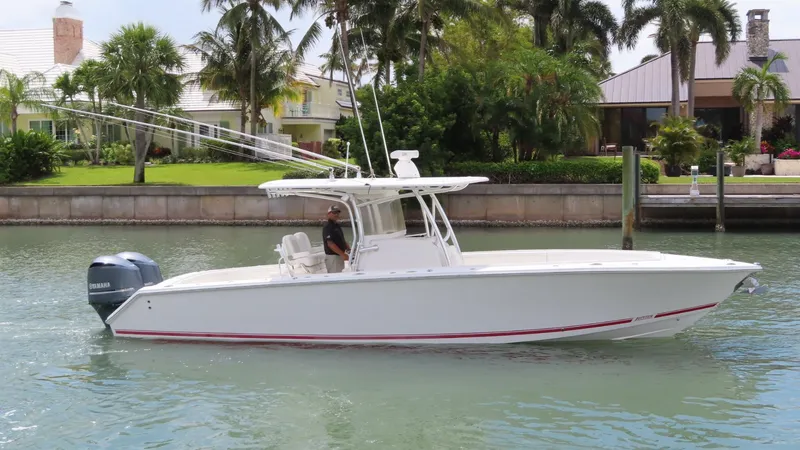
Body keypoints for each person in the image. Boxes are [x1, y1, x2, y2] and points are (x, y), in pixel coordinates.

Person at [322, 205, 350, 273]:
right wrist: (343, 255)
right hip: (333, 257)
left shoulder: (337, 226)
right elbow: (330, 244)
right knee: (335, 276)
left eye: (337, 213)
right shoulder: (328, 227)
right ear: (329, 214)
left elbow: (342, 239)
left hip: (339, 256)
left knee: (339, 275)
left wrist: (348, 249)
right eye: (334, 212)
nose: (336, 214)